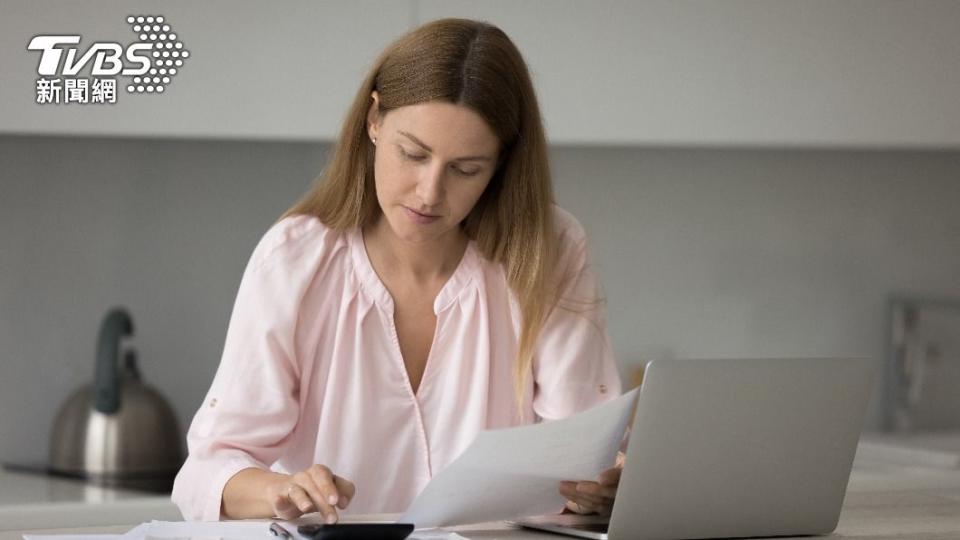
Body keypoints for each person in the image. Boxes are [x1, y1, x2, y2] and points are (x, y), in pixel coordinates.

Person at [171, 17, 623, 523]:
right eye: (413, 154)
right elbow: (207, 470)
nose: (430, 193)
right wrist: (282, 490)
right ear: (374, 120)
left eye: (466, 168)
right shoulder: (295, 260)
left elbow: (581, 453)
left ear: (501, 165)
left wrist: (603, 485)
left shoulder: (551, 250)